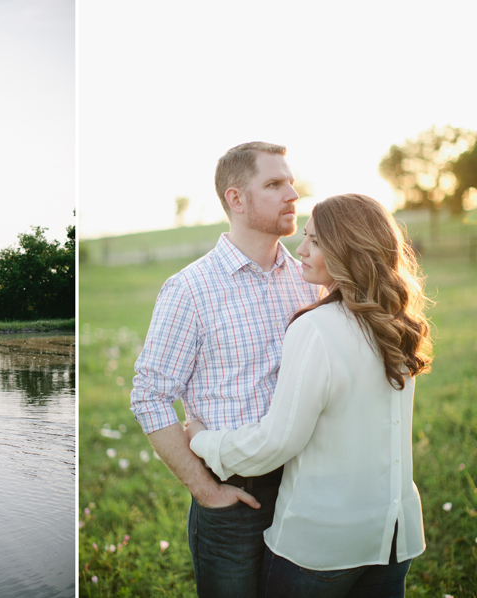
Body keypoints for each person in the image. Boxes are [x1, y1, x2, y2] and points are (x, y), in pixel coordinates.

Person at [185, 193, 432, 597]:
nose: (300, 250)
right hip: (393, 535)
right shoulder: (397, 322)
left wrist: (200, 438)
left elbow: (276, 442)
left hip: (321, 547)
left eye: (314, 241)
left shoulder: (315, 328)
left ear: (347, 248)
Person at [130, 141, 319, 597]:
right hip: (233, 497)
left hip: (308, 485)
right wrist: (205, 490)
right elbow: (149, 394)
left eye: (290, 182)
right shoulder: (190, 289)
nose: (292, 194)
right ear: (236, 199)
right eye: (274, 184)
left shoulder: (309, 278)